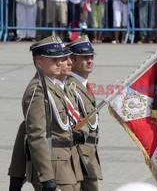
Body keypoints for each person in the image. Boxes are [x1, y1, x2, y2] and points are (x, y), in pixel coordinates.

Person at [8, 35, 84, 191]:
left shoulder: (53, 87)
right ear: (39, 63)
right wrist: (47, 177)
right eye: (53, 60)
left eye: (60, 59)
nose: (59, 63)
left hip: (67, 163)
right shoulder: (38, 91)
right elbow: (35, 135)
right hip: (53, 167)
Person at [66, 35, 103, 191]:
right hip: (79, 154)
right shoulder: (71, 87)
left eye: (91, 56)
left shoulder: (83, 85)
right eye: (84, 57)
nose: (90, 60)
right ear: (72, 61)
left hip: (88, 153)